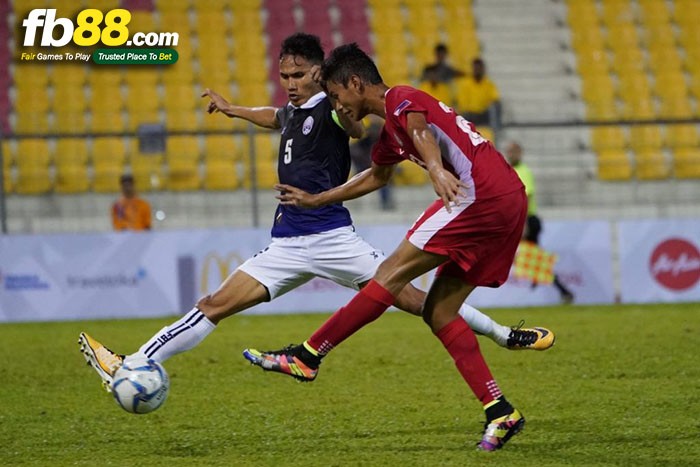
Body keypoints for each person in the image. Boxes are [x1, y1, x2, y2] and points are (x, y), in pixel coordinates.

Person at [79, 34, 549, 396]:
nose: (290, 83)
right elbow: (273, 115)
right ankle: (130, 362)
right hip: (286, 242)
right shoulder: (293, 109)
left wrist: (348, 117)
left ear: (321, 75)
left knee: (420, 303)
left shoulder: (334, 105)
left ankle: (504, 334)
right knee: (213, 306)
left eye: (299, 75)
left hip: (332, 238)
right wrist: (233, 109)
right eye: (285, 75)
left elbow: (356, 123)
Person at [244, 43, 554, 451]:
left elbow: (421, 130)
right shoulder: (390, 131)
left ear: (355, 84)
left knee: (388, 275)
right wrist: (320, 199)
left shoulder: (401, 98)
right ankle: (500, 411)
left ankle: (309, 354)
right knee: (440, 313)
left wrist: (438, 170)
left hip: (478, 195)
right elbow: (377, 176)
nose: (336, 107)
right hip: (506, 200)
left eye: (336, 96)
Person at [503, 141, 575, 304]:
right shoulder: (512, 170)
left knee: (533, 260)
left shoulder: (523, 171)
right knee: (532, 260)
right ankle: (550, 288)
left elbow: (525, 198)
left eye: (513, 151)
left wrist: (523, 225)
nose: (510, 154)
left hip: (528, 220)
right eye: (508, 151)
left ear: (520, 153)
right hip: (521, 220)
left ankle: (558, 290)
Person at [455, 57, 501, 128]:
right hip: (469, 114)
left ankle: (496, 130)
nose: (478, 70)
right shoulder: (465, 84)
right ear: (472, 69)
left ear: (483, 69)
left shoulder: (489, 84)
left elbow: (495, 99)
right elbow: (462, 104)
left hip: (483, 114)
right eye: (476, 68)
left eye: (479, 68)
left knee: (495, 107)